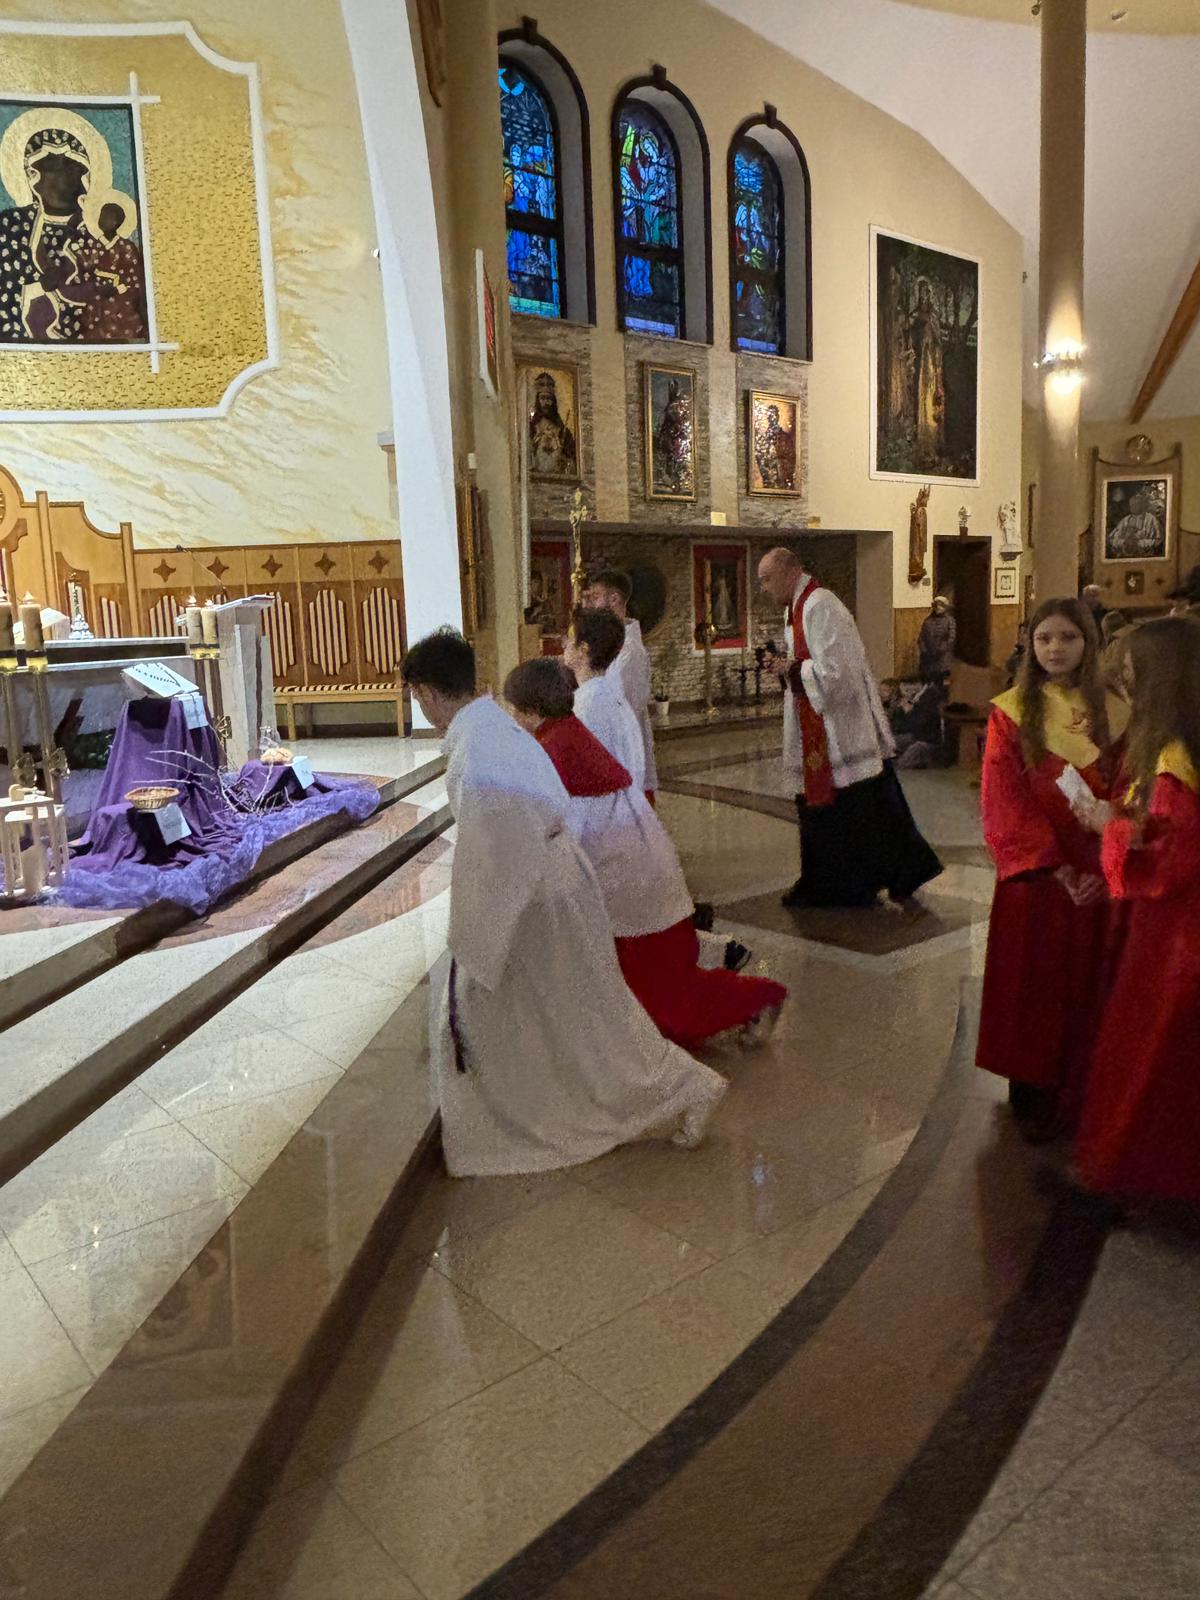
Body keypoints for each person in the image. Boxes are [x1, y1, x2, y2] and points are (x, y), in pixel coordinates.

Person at [399, 627, 726, 1176]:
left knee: (584, 1026)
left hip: (538, 895)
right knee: (589, 1019)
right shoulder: (491, 726)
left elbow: (495, 855)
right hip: (555, 883)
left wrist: (475, 945)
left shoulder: (478, 749)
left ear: (427, 693)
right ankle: (678, 1087)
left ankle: (679, 1088)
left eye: (417, 696)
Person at [503, 658, 787, 1048]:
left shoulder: (556, 749)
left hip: (634, 889)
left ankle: (759, 997)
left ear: (531, 711)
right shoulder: (565, 735)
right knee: (643, 995)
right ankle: (727, 965)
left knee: (667, 1010)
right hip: (638, 878)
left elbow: (561, 835)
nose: (512, 718)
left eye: (514, 709)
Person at [975, 598, 1129, 1142]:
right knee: (1033, 981)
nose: (1055, 649)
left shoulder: (1116, 710)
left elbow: (1131, 783)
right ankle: (1034, 1091)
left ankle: (1085, 1087)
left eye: (1068, 637)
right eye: (1044, 638)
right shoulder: (1013, 711)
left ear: (1089, 642)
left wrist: (1111, 843)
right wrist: (1055, 868)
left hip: (1100, 863)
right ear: (1030, 644)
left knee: (1090, 978)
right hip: (1039, 873)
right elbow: (1003, 795)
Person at [1071, 617, 1200, 1204]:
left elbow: (1173, 860)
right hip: (1169, 925)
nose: (1126, 689)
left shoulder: (1174, 760)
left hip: (1175, 934)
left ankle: (1139, 1174)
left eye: (1132, 676)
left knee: (1153, 1048)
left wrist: (1111, 827)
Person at [757, 547, 943, 909]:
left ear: (791, 571)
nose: (764, 588)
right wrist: (785, 667)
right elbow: (811, 666)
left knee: (859, 807)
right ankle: (833, 883)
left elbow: (836, 674)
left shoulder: (820, 605)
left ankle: (854, 883)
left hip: (841, 729)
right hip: (821, 726)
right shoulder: (797, 608)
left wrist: (790, 669)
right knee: (844, 807)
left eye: (767, 579)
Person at [567, 604, 747, 970]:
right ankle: (718, 951)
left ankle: (720, 954)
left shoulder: (590, 705)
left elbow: (590, 780)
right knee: (641, 927)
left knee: (636, 933)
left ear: (584, 650)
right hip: (623, 826)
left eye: (569, 641)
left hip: (609, 832)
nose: (563, 648)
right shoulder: (604, 695)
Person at [581, 569, 658, 802]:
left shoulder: (630, 652)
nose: (589, 604)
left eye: (595, 597)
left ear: (614, 598)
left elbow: (625, 712)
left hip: (624, 759)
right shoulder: (608, 643)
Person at [918, 596, 956, 689]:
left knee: (941, 680)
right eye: (936, 605)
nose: (938, 608)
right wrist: (924, 650)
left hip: (943, 657)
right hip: (928, 657)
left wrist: (943, 648)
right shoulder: (927, 621)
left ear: (945, 607)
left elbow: (952, 637)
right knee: (928, 681)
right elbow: (921, 637)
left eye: (941, 605)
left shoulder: (950, 621)